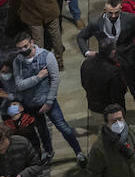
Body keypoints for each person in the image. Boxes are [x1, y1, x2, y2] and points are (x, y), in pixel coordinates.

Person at [9, 27, 86, 166]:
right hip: (30, 104)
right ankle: (49, 151)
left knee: (63, 127)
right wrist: (38, 77)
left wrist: (49, 101)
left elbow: (55, 80)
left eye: (25, 46)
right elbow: (19, 85)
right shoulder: (17, 62)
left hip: (48, 101)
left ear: (32, 43)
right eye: (20, 48)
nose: (23, 50)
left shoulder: (46, 56)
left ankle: (78, 152)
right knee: (42, 131)